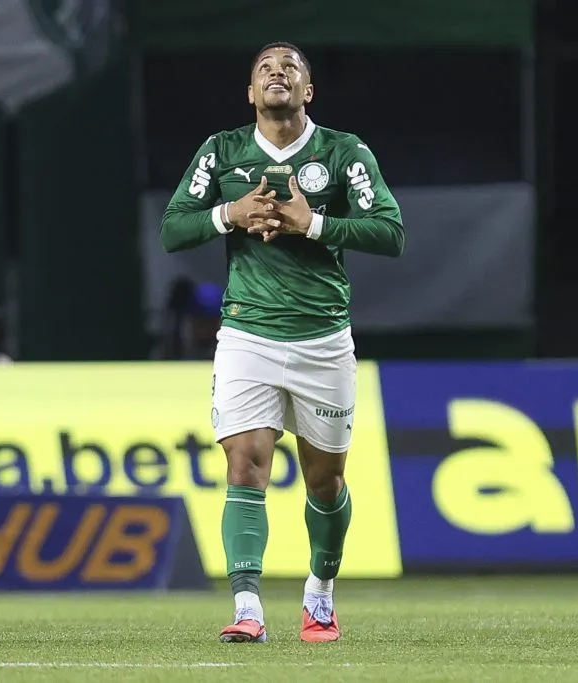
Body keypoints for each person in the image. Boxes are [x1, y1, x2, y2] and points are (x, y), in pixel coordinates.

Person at [160, 42, 404, 644]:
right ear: (250, 93)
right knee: (245, 466)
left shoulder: (343, 152)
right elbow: (173, 228)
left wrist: (309, 223)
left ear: (308, 91)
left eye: (289, 68)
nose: (277, 73)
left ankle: (319, 593)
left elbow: (390, 232)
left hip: (323, 337)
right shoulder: (222, 151)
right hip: (248, 333)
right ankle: (248, 608)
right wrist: (230, 214)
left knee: (325, 481)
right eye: (265, 69)